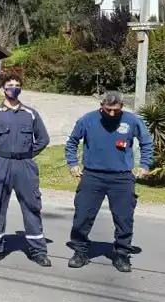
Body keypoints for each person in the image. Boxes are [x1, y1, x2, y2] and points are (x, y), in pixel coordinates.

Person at [65, 90, 153, 273]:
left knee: (124, 219)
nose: (112, 114)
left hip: (122, 178)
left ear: (122, 107)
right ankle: (80, 251)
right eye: (108, 110)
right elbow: (72, 141)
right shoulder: (87, 120)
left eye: (116, 110)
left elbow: (146, 142)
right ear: (101, 106)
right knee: (82, 215)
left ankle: (121, 254)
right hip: (92, 176)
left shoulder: (132, 121)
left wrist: (144, 165)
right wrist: (73, 164)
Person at [0, 72, 51, 267]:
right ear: (3, 88)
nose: (14, 88)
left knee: (32, 207)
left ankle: (38, 251)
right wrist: (1, 154)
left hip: (25, 165)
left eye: (17, 85)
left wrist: (27, 154)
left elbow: (43, 139)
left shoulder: (31, 114)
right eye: (10, 85)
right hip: (1, 164)